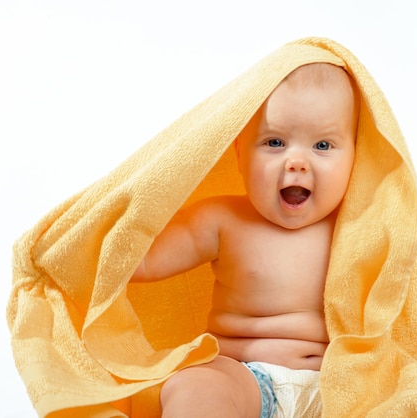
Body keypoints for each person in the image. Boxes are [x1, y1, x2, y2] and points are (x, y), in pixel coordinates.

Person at [130, 62, 359, 417]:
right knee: (197, 385)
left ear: (357, 157)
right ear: (239, 153)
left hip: (343, 393)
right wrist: (88, 241)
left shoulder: (363, 225)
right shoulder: (223, 219)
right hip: (247, 381)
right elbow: (140, 261)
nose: (296, 161)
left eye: (323, 145)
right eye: (275, 142)